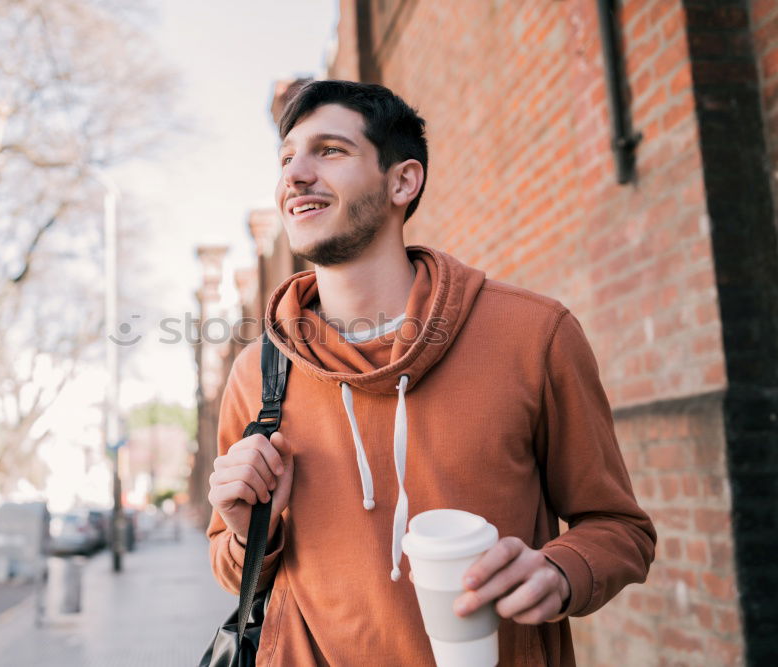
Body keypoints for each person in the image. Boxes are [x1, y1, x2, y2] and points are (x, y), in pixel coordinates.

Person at [206, 80, 655, 666]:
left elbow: (619, 527)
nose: (295, 174)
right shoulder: (258, 372)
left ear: (403, 181)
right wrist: (247, 531)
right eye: (287, 156)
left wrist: (559, 570)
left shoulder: (534, 336)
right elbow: (231, 569)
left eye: (330, 150)